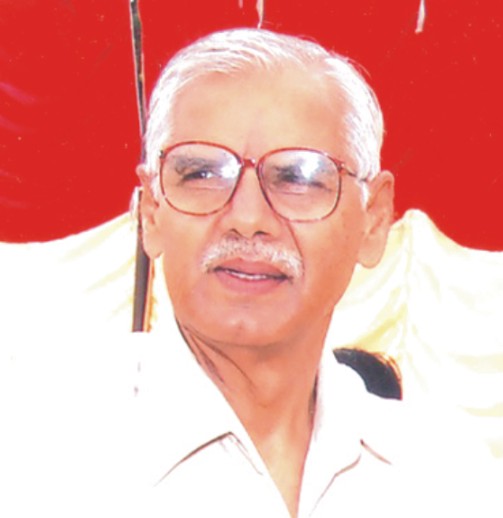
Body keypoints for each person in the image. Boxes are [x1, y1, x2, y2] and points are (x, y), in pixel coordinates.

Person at [133, 28, 498, 517]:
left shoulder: (448, 481)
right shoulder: (46, 450)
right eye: (202, 175)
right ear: (151, 211)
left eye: (298, 178)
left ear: (374, 221)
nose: (248, 218)